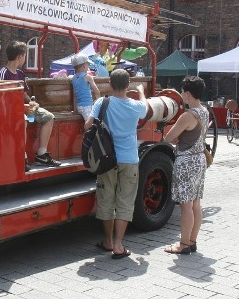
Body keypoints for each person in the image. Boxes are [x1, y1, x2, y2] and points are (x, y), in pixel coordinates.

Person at [88, 69, 148, 259]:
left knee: (106, 199)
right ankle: (119, 245)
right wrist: (140, 91)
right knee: (125, 201)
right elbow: (146, 108)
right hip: (129, 159)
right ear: (127, 84)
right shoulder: (135, 106)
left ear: (110, 84)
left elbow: (87, 125)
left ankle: (108, 241)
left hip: (107, 160)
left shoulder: (102, 102)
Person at [162, 76, 210, 255]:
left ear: (188, 94)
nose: (181, 94)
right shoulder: (204, 111)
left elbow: (168, 138)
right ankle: (191, 240)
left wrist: (175, 136)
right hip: (199, 159)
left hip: (187, 161)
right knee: (196, 204)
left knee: (185, 206)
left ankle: (183, 244)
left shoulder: (187, 115)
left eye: (183, 92)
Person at [0, 41, 61, 166]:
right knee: (23, 120)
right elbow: (1, 98)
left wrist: (32, 103)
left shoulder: (20, 74)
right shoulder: (3, 73)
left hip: (23, 108)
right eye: (25, 56)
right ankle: (22, 156)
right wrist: (22, 108)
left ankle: (42, 154)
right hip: (8, 110)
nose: (25, 59)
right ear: (20, 56)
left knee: (48, 117)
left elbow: (24, 94)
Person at [69, 53, 100, 121]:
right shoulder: (87, 77)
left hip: (79, 107)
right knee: (91, 125)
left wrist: (75, 110)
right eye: (88, 64)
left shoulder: (73, 79)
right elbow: (97, 92)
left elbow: (75, 96)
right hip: (87, 106)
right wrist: (98, 104)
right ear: (84, 66)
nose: (88, 66)